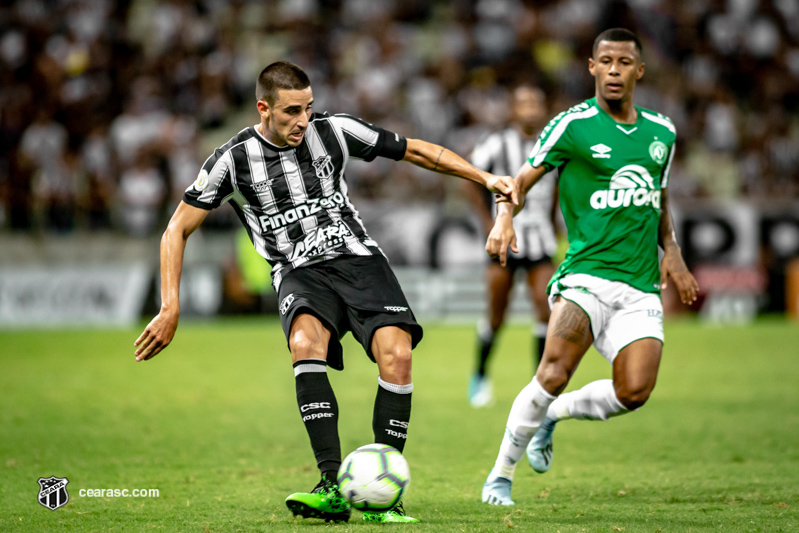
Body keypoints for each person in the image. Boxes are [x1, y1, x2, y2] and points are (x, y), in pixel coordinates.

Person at [132, 61, 517, 523]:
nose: (303, 121)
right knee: (304, 344)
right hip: (298, 272)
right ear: (264, 108)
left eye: (308, 108)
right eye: (292, 111)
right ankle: (331, 486)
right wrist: (169, 306)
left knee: (398, 356)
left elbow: (417, 152)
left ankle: (382, 496)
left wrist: (485, 178)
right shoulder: (230, 161)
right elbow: (176, 229)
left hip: (358, 259)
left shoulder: (335, 131)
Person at [480, 29, 699, 505]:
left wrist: (674, 254)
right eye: (606, 61)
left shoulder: (662, 132)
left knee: (634, 391)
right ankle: (500, 474)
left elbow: (657, 197)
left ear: (639, 71)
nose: (615, 69)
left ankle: (555, 415)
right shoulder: (571, 125)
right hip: (585, 279)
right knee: (553, 371)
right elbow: (518, 182)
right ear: (592, 67)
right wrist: (502, 220)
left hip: (640, 287)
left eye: (624, 62)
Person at [464, 85, 559, 408]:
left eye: (536, 101)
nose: (531, 108)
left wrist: (553, 219)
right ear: (514, 110)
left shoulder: (555, 145)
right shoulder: (496, 143)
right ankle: (479, 374)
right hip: (504, 240)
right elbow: (471, 179)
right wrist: (488, 224)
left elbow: (557, 186)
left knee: (546, 310)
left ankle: (538, 384)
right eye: (524, 103)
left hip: (540, 240)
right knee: (496, 316)